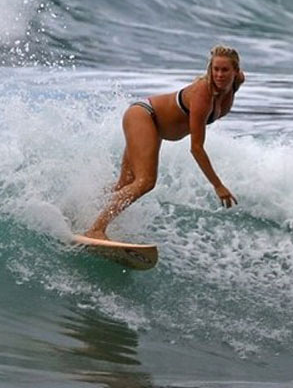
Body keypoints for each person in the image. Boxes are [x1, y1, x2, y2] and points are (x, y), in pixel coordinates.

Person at [84, 45, 245, 241]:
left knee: (125, 184)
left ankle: (82, 207)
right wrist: (217, 185)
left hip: (154, 127)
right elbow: (196, 148)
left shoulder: (237, 82)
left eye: (225, 70)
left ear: (236, 71)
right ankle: (96, 230)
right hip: (144, 116)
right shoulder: (203, 94)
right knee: (145, 182)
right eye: (215, 69)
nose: (219, 74)